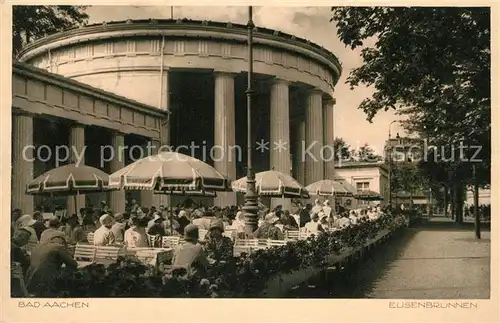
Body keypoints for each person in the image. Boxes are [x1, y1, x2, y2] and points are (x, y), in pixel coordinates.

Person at [25, 232, 77, 297]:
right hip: (47, 281)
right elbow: (73, 264)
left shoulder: (38, 246)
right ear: (63, 243)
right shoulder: (59, 247)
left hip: (30, 279)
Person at [11, 228, 32, 297]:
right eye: (26, 239)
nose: (27, 242)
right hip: (14, 279)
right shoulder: (16, 248)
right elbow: (26, 263)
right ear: (19, 236)